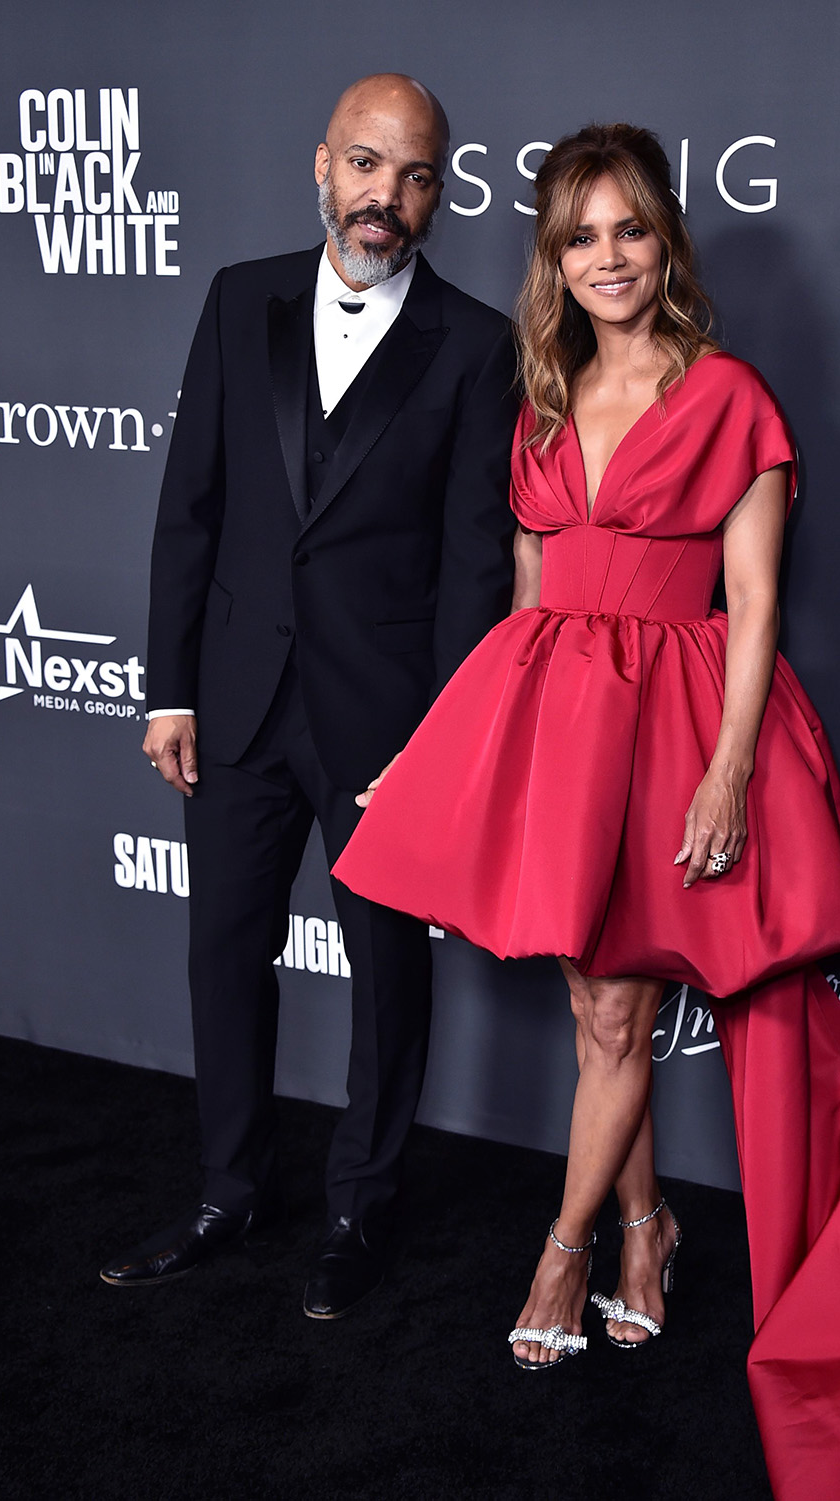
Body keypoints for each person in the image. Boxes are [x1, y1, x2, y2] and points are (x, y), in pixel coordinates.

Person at [334, 125, 840, 1496]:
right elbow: (523, 606)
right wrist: (455, 757)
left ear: (666, 242)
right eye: (580, 237)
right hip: (559, 720)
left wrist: (731, 766)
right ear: (553, 262)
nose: (609, 258)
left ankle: (563, 1252)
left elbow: (753, 604)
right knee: (598, 1008)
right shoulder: (545, 398)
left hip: (678, 725)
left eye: (631, 228)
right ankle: (651, 1230)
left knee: (620, 1014)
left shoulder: (730, 394)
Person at [99, 74, 517, 1319]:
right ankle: (232, 1189)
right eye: (368, 165)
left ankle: (360, 1208)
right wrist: (168, 686)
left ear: (440, 193)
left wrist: (437, 749)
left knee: (387, 972)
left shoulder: (478, 343)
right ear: (322, 168)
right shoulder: (240, 300)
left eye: (418, 175)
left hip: (381, 724)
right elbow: (192, 509)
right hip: (229, 701)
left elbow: (472, 568)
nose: (388, 195)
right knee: (224, 948)